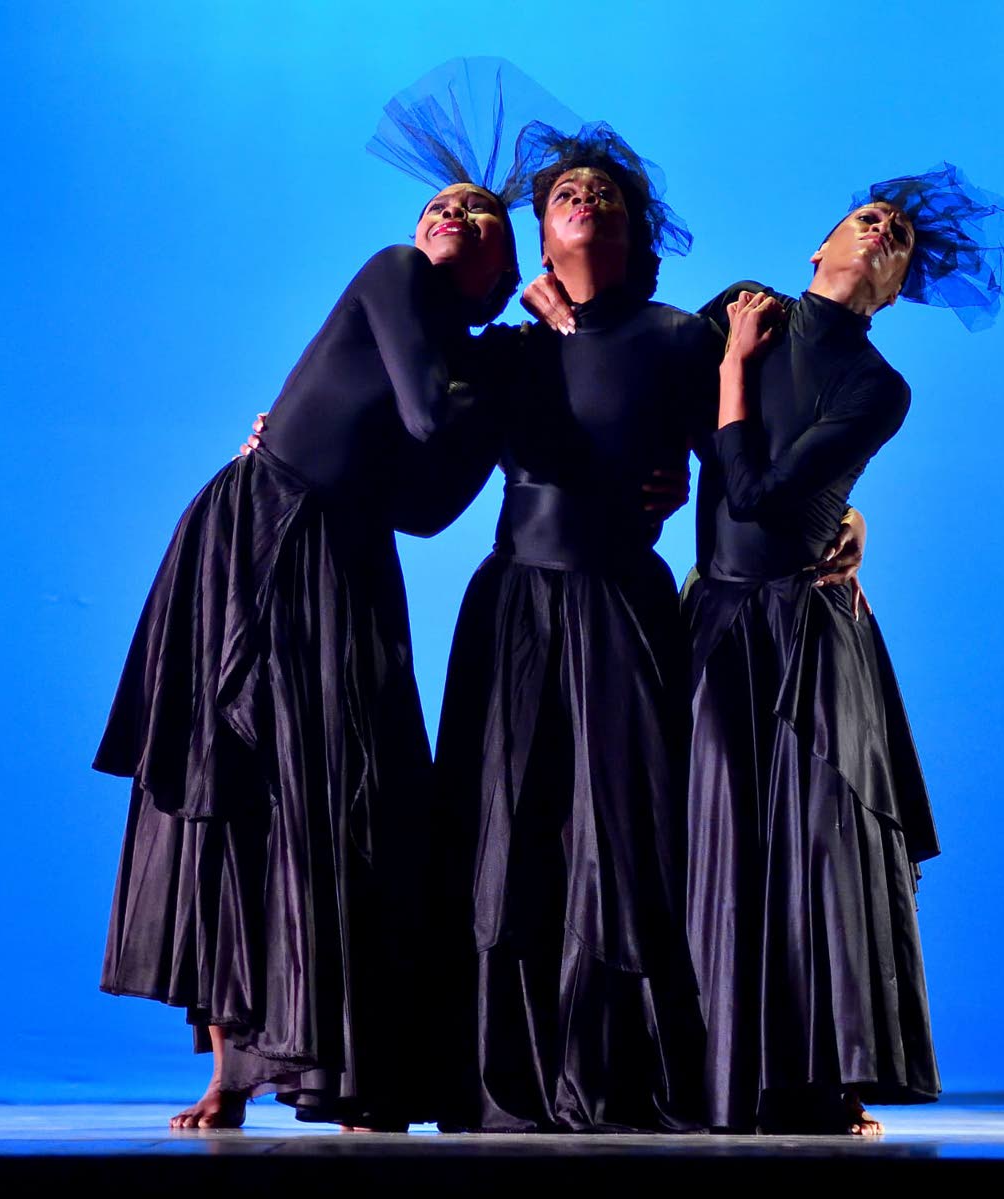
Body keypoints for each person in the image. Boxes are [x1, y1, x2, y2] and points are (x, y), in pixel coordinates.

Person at [93, 59, 549, 1131]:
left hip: (341, 558)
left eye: (481, 214)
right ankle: (233, 1068)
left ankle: (349, 1066)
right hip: (261, 537)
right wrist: (518, 365)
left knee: (348, 794)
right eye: (448, 200)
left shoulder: (466, 356)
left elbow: (428, 508)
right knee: (246, 787)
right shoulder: (397, 272)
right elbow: (438, 431)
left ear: (497, 267)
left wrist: (505, 370)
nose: (455, 208)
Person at [686, 164, 1004, 1134]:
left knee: (822, 848)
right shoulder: (740, 308)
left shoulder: (878, 385)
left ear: (900, 283)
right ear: (819, 248)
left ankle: (825, 1079)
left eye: (901, 238)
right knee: (720, 841)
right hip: (716, 620)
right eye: (868, 219)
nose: (884, 232)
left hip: (812, 630)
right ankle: (714, 1075)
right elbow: (640, 401)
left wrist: (738, 371)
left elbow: (760, 495)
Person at [432, 122, 718, 1133]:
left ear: (640, 232)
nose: (585, 196)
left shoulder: (685, 335)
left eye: (607, 191)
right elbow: (410, 443)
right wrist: (274, 435)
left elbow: (744, 455)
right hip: (513, 602)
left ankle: (635, 1073)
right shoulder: (508, 349)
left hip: (622, 603)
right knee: (506, 830)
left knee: (633, 831)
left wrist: (845, 522)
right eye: (564, 192)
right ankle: (502, 1079)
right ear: (537, 240)